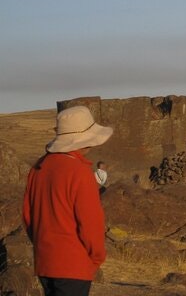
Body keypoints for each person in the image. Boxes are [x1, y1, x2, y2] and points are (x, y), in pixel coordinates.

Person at [23, 105, 113, 296]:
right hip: (74, 264)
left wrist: (43, 247)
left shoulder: (39, 168)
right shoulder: (79, 172)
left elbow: (28, 216)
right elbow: (91, 222)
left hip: (45, 262)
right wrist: (96, 258)